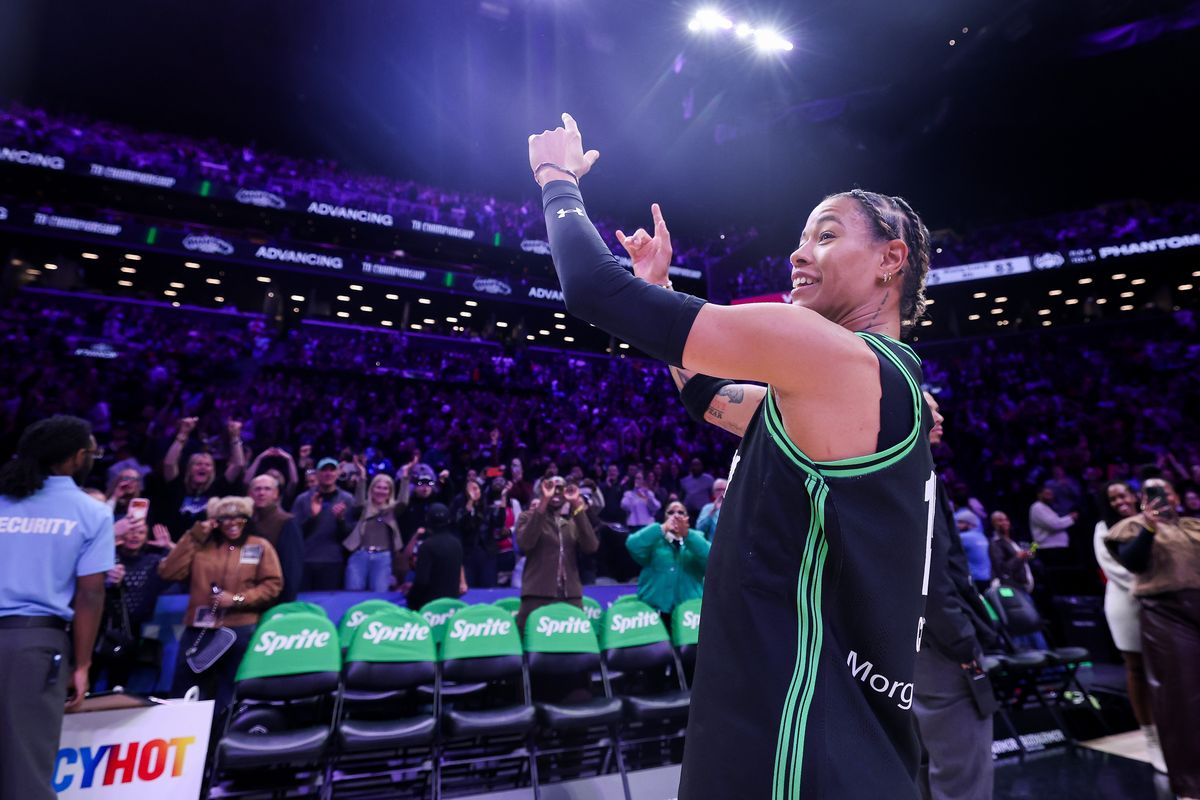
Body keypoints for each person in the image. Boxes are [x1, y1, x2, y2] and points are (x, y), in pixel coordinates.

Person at [529, 113, 933, 797]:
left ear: (891, 259)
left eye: (827, 236)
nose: (799, 255)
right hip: (831, 726)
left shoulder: (833, 357)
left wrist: (555, 178)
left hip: (795, 739)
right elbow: (709, 397)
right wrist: (657, 289)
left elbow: (592, 290)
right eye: (801, 238)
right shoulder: (871, 386)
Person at [0, 416, 113, 800]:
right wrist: (82, 665)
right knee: (26, 771)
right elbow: (90, 595)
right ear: (77, 457)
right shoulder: (92, 511)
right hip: (35, 645)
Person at [912, 393, 997, 800]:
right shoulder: (916, 479)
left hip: (903, 646)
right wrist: (962, 641)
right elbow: (932, 575)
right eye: (932, 410)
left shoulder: (879, 476)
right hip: (941, 646)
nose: (942, 416)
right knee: (963, 772)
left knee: (926, 767)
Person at [1105, 478, 1200, 799]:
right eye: (1151, 493)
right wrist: (1148, 525)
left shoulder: (1192, 525)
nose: (1161, 498)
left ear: (1176, 495)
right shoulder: (1129, 527)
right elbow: (1132, 563)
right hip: (1166, 614)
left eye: (1165, 491)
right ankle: (1189, 785)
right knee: (1179, 698)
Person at [159, 496, 282, 714]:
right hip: (201, 628)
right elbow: (168, 571)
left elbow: (273, 585)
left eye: (239, 518)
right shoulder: (200, 545)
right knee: (186, 687)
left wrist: (236, 599)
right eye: (225, 519)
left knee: (229, 691)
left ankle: (220, 739)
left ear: (247, 519)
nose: (233, 523)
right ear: (216, 521)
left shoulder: (260, 546)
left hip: (240, 628)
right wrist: (195, 534)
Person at [1092, 480, 1164, 772]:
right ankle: (1152, 738)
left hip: (1162, 603)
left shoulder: (1154, 518)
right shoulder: (1102, 529)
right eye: (1112, 498)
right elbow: (1117, 571)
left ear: (1135, 496)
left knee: (1167, 669)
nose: (1119, 500)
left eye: (1123, 494)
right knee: (1136, 668)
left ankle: (1175, 732)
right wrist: (1159, 585)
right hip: (1127, 605)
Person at [93, 515, 171, 691]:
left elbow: (181, 568)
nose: (135, 535)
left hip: (131, 630)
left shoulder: (152, 561)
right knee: (91, 677)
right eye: (131, 530)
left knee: (118, 684)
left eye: (141, 532)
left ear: (147, 536)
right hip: (98, 627)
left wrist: (168, 546)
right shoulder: (107, 556)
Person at [514, 477, 599, 632]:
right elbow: (525, 543)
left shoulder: (571, 523)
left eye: (561, 488)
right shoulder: (527, 517)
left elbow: (591, 546)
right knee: (529, 642)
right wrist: (544, 501)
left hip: (570, 596)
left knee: (575, 643)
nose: (556, 492)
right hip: (537, 595)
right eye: (551, 487)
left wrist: (576, 505)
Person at [152, 417, 245, 538]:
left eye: (207, 465)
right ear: (190, 468)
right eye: (198, 464)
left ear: (212, 470)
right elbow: (169, 464)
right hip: (175, 545)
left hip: (207, 548)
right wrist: (183, 434)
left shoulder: (217, 487)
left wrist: (234, 437)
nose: (203, 467)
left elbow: (238, 465)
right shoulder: (178, 485)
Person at [625, 501, 709, 626]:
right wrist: (662, 528)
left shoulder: (697, 538)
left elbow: (711, 556)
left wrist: (687, 535)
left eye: (681, 512)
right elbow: (632, 544)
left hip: (690, 613)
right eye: (671, 512)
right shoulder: (654, 540)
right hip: (655, 610)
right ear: (665, 517)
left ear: (687, 518)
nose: (676, 516)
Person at [291, 457, 353, 591]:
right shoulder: (303, 499)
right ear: (317, 474)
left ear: (338, 473)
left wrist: (340, 520)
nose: (328, 473)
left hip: (333, 561)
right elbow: (294, 532)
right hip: (306, 560)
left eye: (332, 470)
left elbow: (350, 535)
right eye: (324, 470)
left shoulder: (347, 499)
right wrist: (312, 516)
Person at [248, 474, 304, 604]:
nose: (261, 493)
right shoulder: (246, 522)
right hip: (251, 595)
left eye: (267, 489)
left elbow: (292, 567)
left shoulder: (286, 521)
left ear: (276, 494)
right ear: (250, 494)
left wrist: (286, 602)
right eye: (257, 489)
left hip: (276, 596)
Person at [344, 472, 404, 593]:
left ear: (390, 492)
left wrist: (406, 478)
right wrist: (362, 477)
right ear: (371, 489)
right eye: (378, 487)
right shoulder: (364, 507)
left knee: (380, 595)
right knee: (353, 594)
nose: (381, 491)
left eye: (385, 488)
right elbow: (359, 500)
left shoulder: (392, 510)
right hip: (360, 556)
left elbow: (403, 501)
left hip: (383, 558)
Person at [405, 503, 467, 611]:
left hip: (430, 606)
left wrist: (410, 597)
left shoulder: (427, 546)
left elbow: (421, 581)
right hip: (452, 604)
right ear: (448, 520)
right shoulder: (456, 543)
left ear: (428, 520)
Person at [1028, 482, 1078, 551]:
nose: (1050, 496)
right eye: (1047, 494)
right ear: (1039, 495)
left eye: (1051, 494)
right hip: (1048, 547)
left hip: (1055, 547)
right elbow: (1054, 525)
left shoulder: (1047, 507)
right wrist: (1070, 518)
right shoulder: (1037, 507)